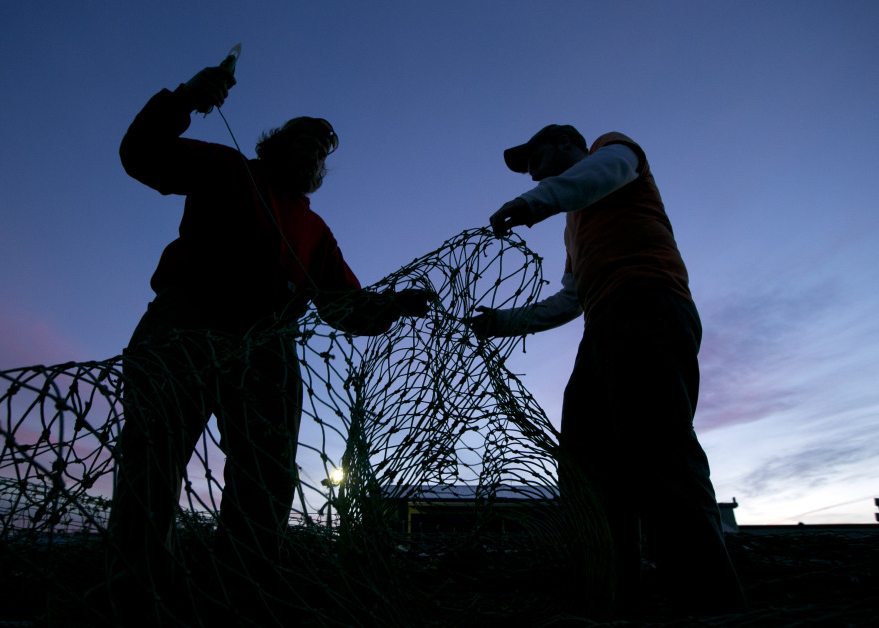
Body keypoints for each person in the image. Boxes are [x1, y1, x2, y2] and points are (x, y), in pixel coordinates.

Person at [105, 64, 429, 623]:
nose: (313, 154)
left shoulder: (317, 230)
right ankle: (134, 601)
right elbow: (142, 154)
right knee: (152, 463)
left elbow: (343, 305)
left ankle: (243, 601)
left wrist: (392, 306)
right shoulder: (225, 165)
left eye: (322, 152)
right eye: (305, 140)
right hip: (186, 325)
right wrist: (184, 98)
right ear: (275, 143)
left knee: (266, 479)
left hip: (268, 352)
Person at [468, 125, 746, 615]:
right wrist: (501, 323)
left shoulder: (614, 151)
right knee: (585, 460)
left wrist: (531, 202)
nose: (531, 171)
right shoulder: (573, 222)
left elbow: (595, 176)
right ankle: (613, 595)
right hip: (602, 327)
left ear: (562, 143)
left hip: (649, 304)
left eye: (533, 159)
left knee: (658, 447)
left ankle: (710, 601)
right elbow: (570, 300)